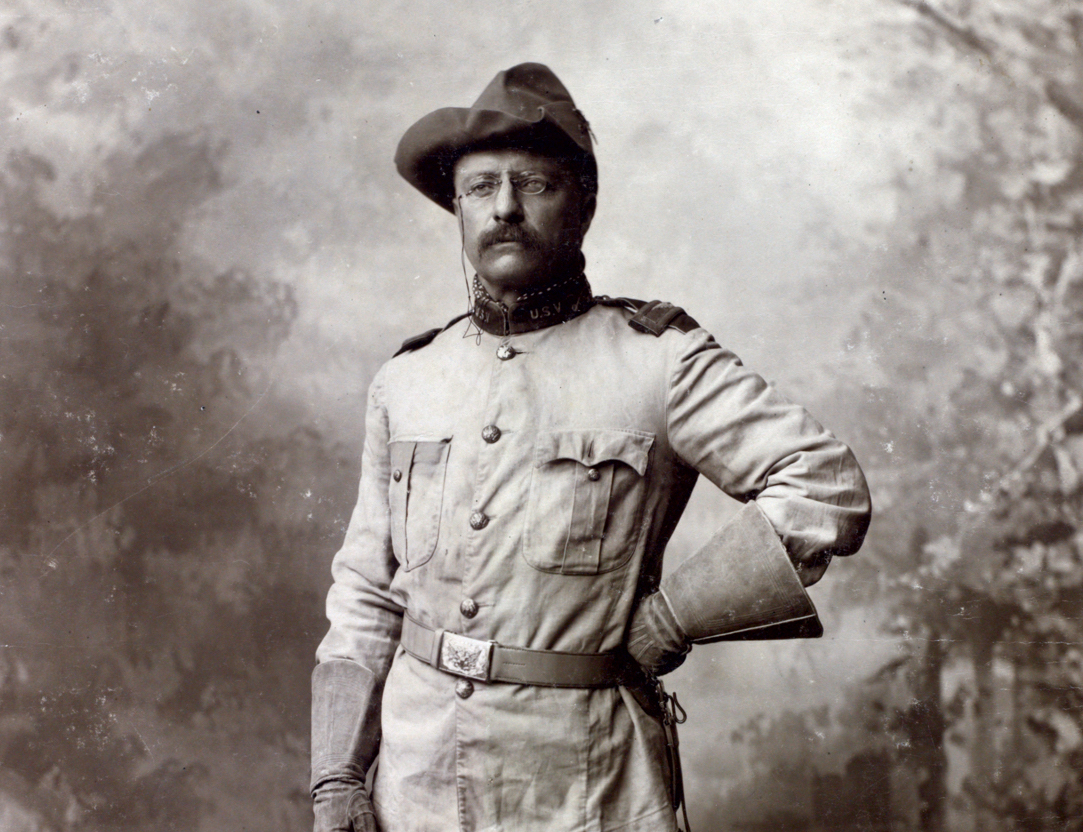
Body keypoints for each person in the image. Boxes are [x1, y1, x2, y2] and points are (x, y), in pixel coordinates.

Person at [310, 63, 871, 832]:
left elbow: (824, 486)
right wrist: (337, 775)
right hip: (415, 782)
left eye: (534, 184)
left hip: (586, 785)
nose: (504, 208)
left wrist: (671, 619)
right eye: (480, 188)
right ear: (457, 209)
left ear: (582, 204)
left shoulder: (656, 360)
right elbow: (368, 593)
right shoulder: (407, 379)